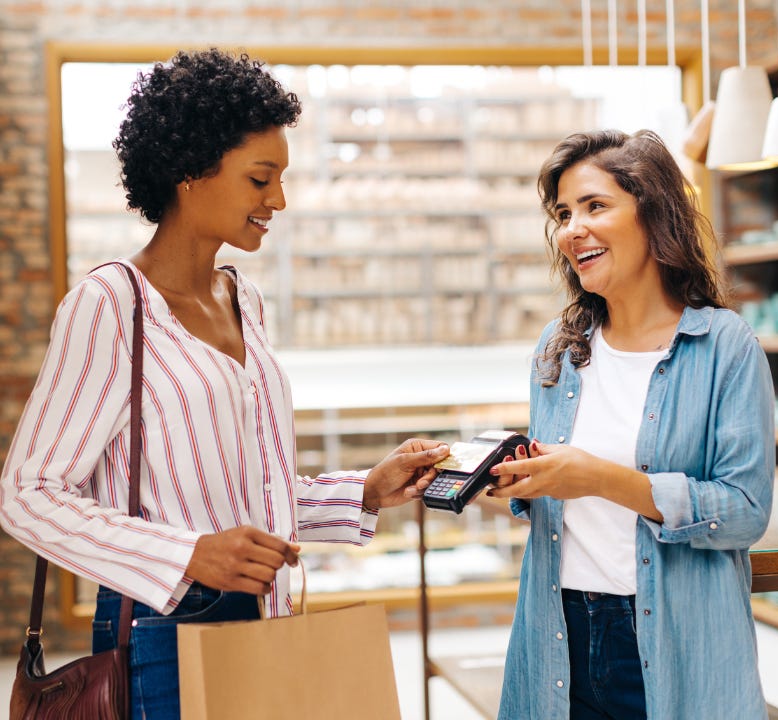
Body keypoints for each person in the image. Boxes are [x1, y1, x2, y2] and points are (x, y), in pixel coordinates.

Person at [0, 48, 449, 719]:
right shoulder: (111, 306)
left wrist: (364, 491)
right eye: (260, 178)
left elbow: (247, 493)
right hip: (161, 634)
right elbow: (26, 494)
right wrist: (189, 554)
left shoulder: (245, 301)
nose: (279, 200)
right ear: (189, 172)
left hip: (265, 613)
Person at [488, 129, 776, 719]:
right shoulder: (559, 348)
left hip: (668, 634)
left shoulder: (726, 346)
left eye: (596, 206)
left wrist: (597, 477)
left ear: (654, 215)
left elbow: (744, 510)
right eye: (564, 214)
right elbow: (555, 496)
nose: (573, 229)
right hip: (558, 627)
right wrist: (503, 480)